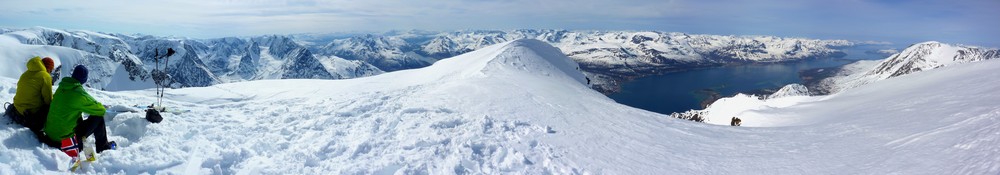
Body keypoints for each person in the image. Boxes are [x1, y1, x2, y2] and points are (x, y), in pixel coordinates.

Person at [44, 65, 116, 159]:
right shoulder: (78, 93)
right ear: (84, 79)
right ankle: (103, 147)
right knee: (98, 117)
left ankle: (84, 146)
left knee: (78, 118)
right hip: (63, 138)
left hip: (50, 134)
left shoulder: (62, 87)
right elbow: (100, 110)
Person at [10, 56, 54, 137]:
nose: (50, 72)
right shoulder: (45, 76)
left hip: (17, 107)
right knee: (50, 107)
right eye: (51, 70)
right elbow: (48, 100)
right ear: (48, 68)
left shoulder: (25, 73)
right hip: (30, 112)